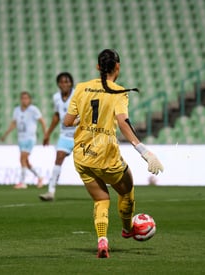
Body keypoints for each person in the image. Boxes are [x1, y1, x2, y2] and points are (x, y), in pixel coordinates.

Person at [63, 49, 164, 258]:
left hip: (82, 155)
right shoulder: (118, 91)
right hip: (106, 155)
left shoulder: (81, 88)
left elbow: (67, 122)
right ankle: (127, 230)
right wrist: (145, 152)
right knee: (127, 190)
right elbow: (123, 123)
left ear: (98, 67)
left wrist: (84, 119)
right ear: (117, 67)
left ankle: (102, 241)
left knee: (101, 199)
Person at [39, 72, 76, 201]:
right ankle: (50, 191)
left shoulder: (77, 95)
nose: (64, 84)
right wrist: (47, 133)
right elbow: (56, 116)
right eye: (61, 82)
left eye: (67, 81)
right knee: (58, 158)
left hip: (80, 136)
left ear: (71, 83)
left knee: (90, 165)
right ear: (58, 84)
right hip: (65, 135)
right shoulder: (56, 97)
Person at [0, 91, 47, 189]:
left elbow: (42, 121)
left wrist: (45, 134)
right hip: (21, 138)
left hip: (30, 138)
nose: (24, 100)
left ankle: (23, 182)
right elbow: (14, 123)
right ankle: (40, 177)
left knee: (22, 158)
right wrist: (5, 134)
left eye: (26, 98)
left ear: (29, 100)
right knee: (26, 161)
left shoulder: (33, 109)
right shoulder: (17, 110)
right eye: (23, 98)